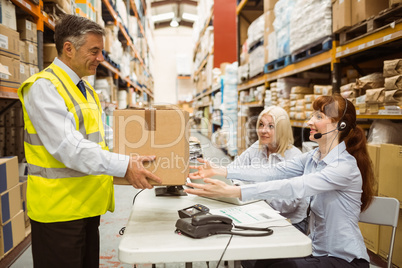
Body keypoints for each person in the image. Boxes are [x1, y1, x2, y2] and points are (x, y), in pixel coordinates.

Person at [17, 15, 162, 268]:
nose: (101, 59)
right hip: (58, 213)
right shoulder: (44, 88)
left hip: (87, 207)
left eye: (102, 51)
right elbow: (68, 148)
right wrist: (124, 164)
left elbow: (104, 137)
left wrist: (142, 154)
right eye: (94, 51)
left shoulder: (86, 89)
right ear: (69, 48)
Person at [186, 94, 375, 268]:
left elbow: (294, 187)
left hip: (345, 260)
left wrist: (234, 192)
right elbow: (274, 171)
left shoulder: (344, 167)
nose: (310, 121)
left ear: (340, 126)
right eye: (313, 115)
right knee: (260, 261)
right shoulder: (312, 157)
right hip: (317, 252)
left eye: (319, 117)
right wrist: (221, 170)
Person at [226, 106, 309, 233]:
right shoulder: (257, 148)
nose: (263, 130)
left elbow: (288, 204)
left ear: (282, 130)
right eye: (261, 125)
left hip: (290, 223)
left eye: (271, 126)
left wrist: (250, 190)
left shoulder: (295, 157)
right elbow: (233, 170)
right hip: (259, 214)